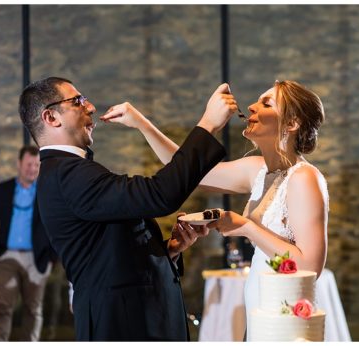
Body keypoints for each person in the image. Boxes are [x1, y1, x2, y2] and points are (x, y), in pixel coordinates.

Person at [21, 77, 236, 340]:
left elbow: (109, 251)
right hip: (122, 326)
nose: (90, 107)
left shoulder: (69, 171)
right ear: (51, 117)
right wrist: (208, 124)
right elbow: (159, 195)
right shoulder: (67, 174)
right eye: (77, 101)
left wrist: (169, 251)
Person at [110, 80, 328, 338]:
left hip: (284, 320)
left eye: (266, 103)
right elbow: (189, 171)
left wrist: (246, 227)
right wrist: (142, 124)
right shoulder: (257, 169)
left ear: (291, 124)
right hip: (260, 314)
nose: (251, 107)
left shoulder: (304, 178)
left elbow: (310, 268)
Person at [0, 145, 55, 341]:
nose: (33, 169)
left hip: (36, 259)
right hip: (6, 257)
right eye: (29, 164)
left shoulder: (46, 192)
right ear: (19, 164)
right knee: (3, 308)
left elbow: (56, 226)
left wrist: (50, 260)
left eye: (37, 165)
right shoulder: (2, 190)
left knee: (33, 310)